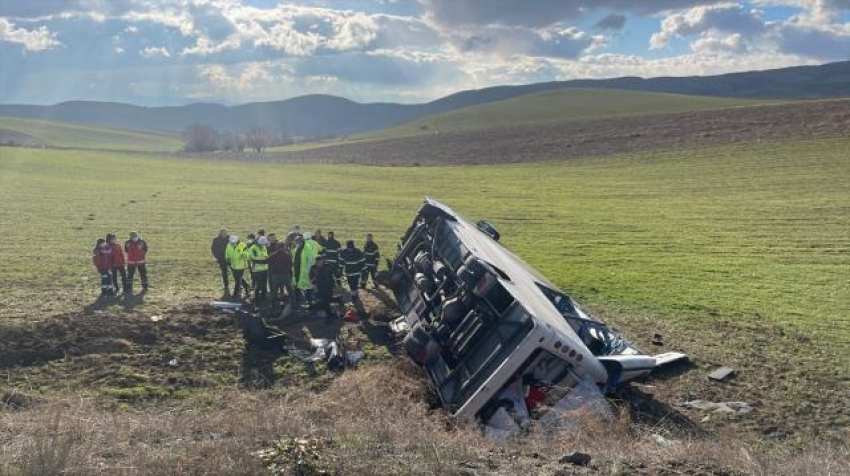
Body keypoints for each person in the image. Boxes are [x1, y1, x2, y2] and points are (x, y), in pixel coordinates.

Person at [267, 233, 293, 310]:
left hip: (277, 274)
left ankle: (274, 304)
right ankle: (291, 303)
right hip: (281, 274)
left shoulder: (275, 253)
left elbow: (266, 261)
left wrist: (255, 260)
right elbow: (290, 264)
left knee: (276, 290)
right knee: (287, 290)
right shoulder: (287, 254)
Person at [226, 235, 250, 301]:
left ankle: (235, 294)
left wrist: (243, 254)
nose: (233, 244)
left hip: (241, 266)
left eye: (234, 243)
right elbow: (227, 253)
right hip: (233, 265)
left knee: (237, 280)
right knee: (238, 278)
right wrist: (227, 258)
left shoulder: (243, 245)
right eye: (232, 243)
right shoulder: (229, 245)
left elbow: (247, 254)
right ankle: (246, 286)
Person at [291, 235, 314, 304]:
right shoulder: (296, 248)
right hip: (297, 271)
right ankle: (297, 301)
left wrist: (309, 270)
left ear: (301, 242)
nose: (295, 244)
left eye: (297, 242)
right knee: (297, 286)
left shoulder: (307, 248)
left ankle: (310, 301)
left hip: (305, 272)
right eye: (295, 242)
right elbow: (294, 257)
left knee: (308, 287)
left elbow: (310, 260)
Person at [249, 235, 269, 304]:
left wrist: (264, 260)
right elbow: (253, 259)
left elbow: (266, 256)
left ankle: (264, 298)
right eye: (261, 244)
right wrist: (263, 260)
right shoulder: (252, 249)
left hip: (265, 269)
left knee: (264, 284)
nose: (262, 245)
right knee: (258, 285)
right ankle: (256, 299)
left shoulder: (264, 247)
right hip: (257, 270)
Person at [211, 228, 230, 298]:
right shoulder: (216, 240)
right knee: (224, 273)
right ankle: (226, 286)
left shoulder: (230, 239)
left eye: (226, 233)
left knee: (236, 272)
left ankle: (243, 285)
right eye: (223, 233)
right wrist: (217, 257)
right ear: (220, 233)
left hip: (230, 259)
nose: (225, 234)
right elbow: (213, 249)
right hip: (222, 260)